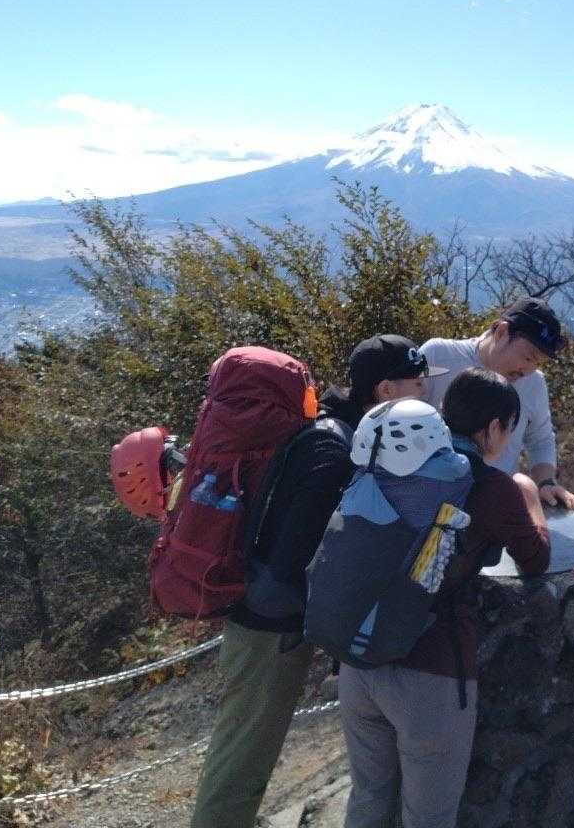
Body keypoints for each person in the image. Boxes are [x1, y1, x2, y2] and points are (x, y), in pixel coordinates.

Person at [190, 334, 445, 828]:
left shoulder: (334, 431)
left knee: (245, 748)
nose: (427, 396)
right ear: (386, 390)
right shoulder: (334, 448)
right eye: (418, 385)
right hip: (270, 625)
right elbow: (300, 554)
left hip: (268, 615)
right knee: (243, 757)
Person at [340, 367, 550, 828]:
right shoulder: (491, 485)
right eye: (508, 429)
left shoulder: (393, 463)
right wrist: (530, 497)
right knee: (429, 817)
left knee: (368, 800)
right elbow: (535, 560)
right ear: (493, 428)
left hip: (357, 658)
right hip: (430, 674)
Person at [423, 296, 574, 510]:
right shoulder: (438, 356)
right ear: (501, 332)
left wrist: (546, 482)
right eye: (528, 357)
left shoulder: (534, 383)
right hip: (426, 499)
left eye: (538, 363)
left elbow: (540, 439)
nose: (528, 370)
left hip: (492, 504)